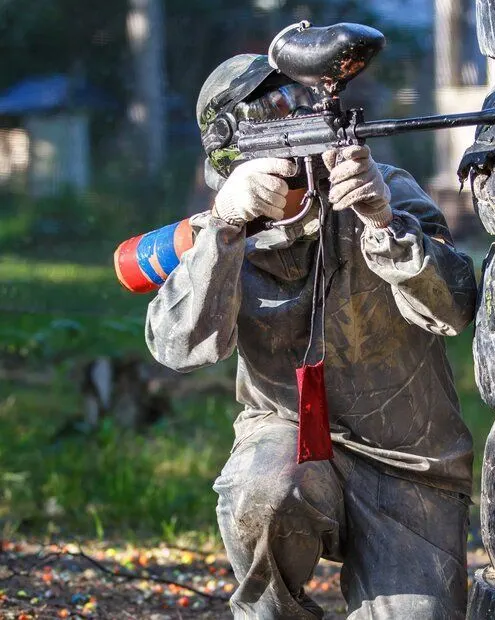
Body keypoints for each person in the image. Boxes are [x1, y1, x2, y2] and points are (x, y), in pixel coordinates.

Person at [144, 50, 477, 619]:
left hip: (409, 467)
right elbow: (178, 346)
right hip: (290, 446)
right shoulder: (223, 231)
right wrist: (225, 228)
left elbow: (454, 310)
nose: (297, 174)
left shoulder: (383, 190)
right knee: (262, 492)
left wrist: (384, 224)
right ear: (235, 159)